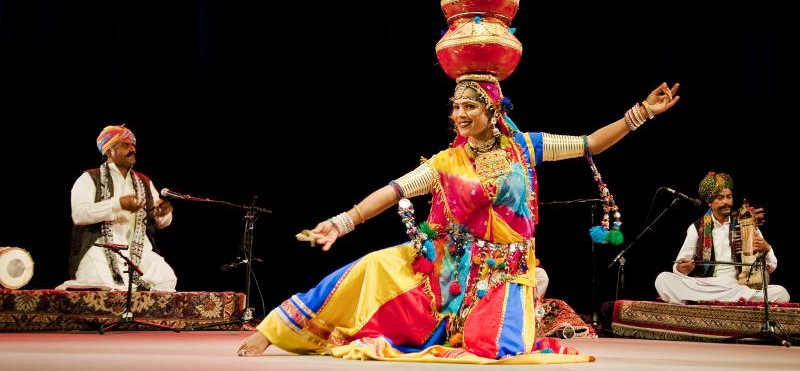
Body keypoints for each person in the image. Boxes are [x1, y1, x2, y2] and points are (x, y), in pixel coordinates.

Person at [237, 78, 679, 362]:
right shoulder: (445, 162)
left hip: (506, 271)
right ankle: (276, 328)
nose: (461, 115)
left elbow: (590, 144)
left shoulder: (527, 147)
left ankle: (486, 318)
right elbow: (394, 191)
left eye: (470, 106)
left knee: (497, 348)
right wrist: (342, 221)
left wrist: (641, 112)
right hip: (450, 265)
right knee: (370, 266)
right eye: (456, 107)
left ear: (493, 111)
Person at [56, 124, 177, 292]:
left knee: (166, 279)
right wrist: (118, 204)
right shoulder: (89, 178)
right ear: (109, 151)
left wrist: (163, 214)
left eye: (133, 145)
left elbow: (162, 223)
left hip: (139, 252)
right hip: (100, 250)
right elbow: (79, 214)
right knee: (103, 285)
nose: (132, 149)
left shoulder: (144, 182)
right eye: (125, 145)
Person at [655, 172, 790, 304]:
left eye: (729, 197)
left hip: (737, 286)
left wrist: (766, 248)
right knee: (663, 279)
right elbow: (678, 266)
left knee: (781, 293)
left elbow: (772, 266)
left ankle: (704, 301)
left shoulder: (746, 223)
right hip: (704, 285)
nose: (726, 202)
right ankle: (725, 301)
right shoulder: (696, 228)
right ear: (709, 201)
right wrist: (682, 268)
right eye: (720, 198)